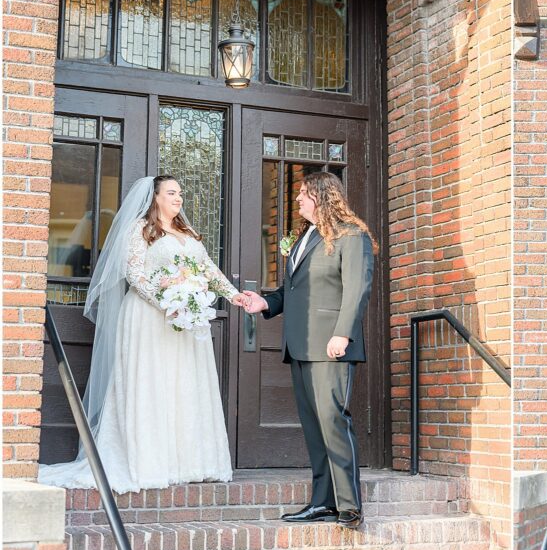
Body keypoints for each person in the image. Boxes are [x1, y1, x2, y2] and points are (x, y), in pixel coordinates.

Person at [39, 176, 246, 492]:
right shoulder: (139, 229)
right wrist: (168, 302)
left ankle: (189, 462)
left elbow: (208, 271)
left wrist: (234, 296)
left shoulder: (187, 232)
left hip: (186, 320)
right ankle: (149, 462)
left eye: (181, 193)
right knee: (152, 382)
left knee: (185, 383)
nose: (179, 198)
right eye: (172, 193)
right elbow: (135, 275)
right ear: (155, 197)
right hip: (149, 318)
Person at [242, 172, 375, 530]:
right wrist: (264, 303)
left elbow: (356, 289)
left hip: (332, 345)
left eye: (303, 194)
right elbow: (291, 291)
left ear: (322, 196)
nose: (298, 199)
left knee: (333, 421)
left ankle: (349, 506)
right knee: (314, 427)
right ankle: (322, 503)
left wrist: (343, 334)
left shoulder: (352, 235)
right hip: (299, 345)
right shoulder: (305, 237)